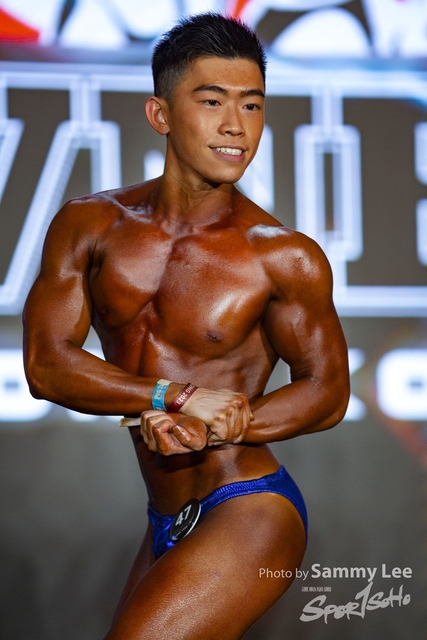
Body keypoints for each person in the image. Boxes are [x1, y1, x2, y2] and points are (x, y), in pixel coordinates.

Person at [23, 12, 350, 640]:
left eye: (252, 105)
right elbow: (46, 365)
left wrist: (225, 422)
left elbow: (328, 389)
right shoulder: (90, 225)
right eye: (212, 101)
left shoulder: (282, 254)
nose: (236, 126)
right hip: (166, 517)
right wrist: (175, 397)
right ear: (161, 114)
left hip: (247, 506)